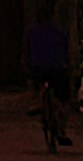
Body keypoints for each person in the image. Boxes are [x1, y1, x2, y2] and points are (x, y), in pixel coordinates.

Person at [25, 9, 71, 147]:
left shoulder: (31, 33)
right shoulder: (59, 32)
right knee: (65, 100)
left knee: (34, 83)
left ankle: (37, 101)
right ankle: (62, 129)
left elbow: (27, 54)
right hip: (58, 70)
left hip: (38, 70)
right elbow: (66, 53)